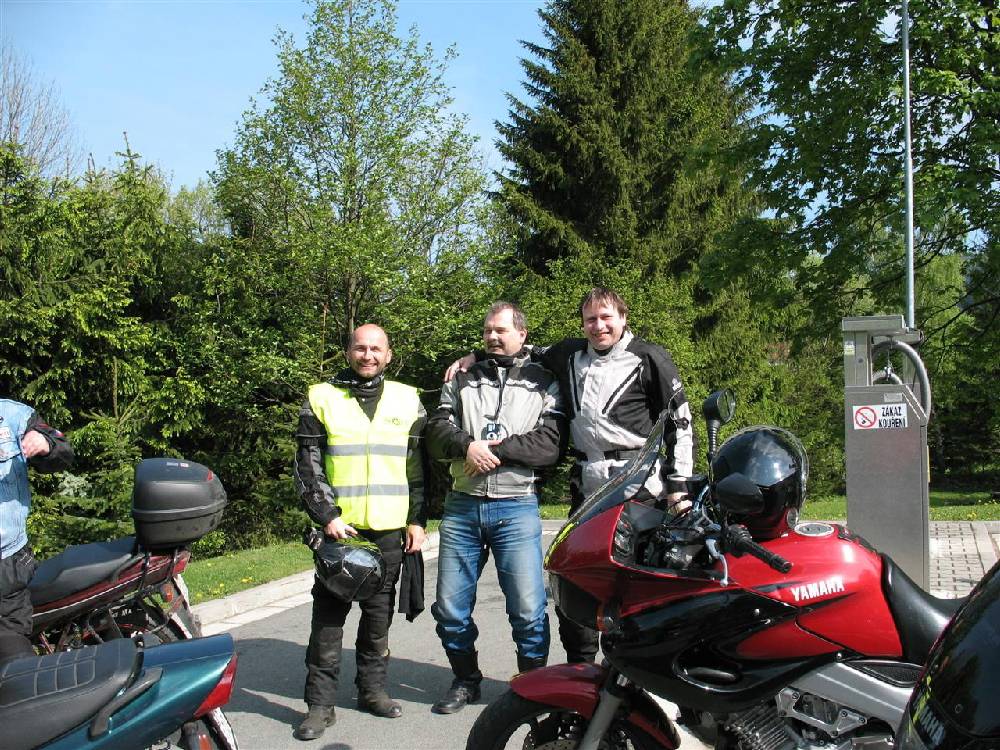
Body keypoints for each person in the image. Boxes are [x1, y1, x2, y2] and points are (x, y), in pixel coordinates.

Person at [445, 287, 693, 663]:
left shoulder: (649, 357)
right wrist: (476, 356)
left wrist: (678, 486)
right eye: (591, 319)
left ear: (623, 318)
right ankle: (581, 669)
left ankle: (636, 671)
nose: (599, 326)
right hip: (587, 485)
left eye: (607, 317)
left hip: (640, 483)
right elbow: (519, 349)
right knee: (578, 579)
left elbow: (681, 422)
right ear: (582, 323)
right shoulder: (569, 353)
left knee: (636, 583)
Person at [427, 301, 567, 714]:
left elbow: (550, 445)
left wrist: (493, 451)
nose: (492, 336)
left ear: (522, 334)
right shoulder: (461, 376)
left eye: (501, 330)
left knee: (528, 609)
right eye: (487, 330)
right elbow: (436, 431)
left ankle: (532, 687)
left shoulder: (545, 380)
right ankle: (465, 680)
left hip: (517, 507)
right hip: (462, 507)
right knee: (450, 609)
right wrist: (465, 445)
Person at [292, 324, 428, 742]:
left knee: (378, 618)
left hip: (389, 529)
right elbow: (308, 464)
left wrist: (417, 520)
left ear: (388, 355)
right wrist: (327, 516)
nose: (368, 355)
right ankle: (319, 706)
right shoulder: (321, 397)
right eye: (360, 348)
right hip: (342, 531)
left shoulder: (408, 399)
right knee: (328, 622)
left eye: (376, 349)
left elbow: (417, 468)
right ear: (348, 352)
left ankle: (372, 691)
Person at [0, 398, 73, 663]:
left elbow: (62, 448)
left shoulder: (14, 416)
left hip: (6, 569)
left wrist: (45, 444)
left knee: (12, 665)